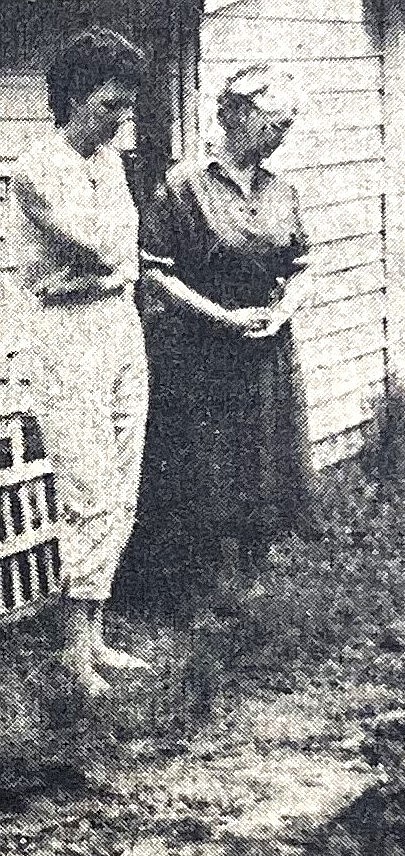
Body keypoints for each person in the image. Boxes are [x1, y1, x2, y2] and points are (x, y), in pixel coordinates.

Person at [135, 65, 314, 609]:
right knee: (210, 458)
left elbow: (301, 264)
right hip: (202, 347)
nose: (281, 133)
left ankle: (259, 568)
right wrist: (217, 314)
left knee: (264, 452)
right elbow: (155, 270)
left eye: (287, 124)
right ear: (235, 115)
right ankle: (203, 582)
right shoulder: (184, 185)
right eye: (273, 121)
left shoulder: (283, 190)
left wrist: (283, 310)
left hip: (265, 343)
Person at [8, 27, 150, 700]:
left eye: (126, 106)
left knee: (123, 481)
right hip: (67, 332)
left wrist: (108, 260)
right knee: (88, 485)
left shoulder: (110, 161)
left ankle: (95, 635)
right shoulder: (37, 168)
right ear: (71, 98)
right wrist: (103, 259)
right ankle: (71, 651)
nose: (122, 119)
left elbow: (125, 250)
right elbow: (96, 250)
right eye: (108, 106)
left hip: (118, 323)